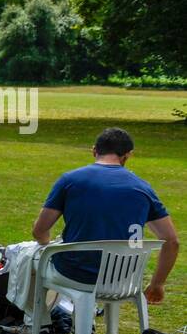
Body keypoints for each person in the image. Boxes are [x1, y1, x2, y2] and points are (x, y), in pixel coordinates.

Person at [32, 127, 178, 303]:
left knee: (31, 257)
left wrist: (46, 244)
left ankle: (37, 320)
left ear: (94, 150)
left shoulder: (69, 180)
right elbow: (172, 241)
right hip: (123, 277)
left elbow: (39, 231)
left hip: (74, 274)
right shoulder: (143, 188)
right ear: (128, 155)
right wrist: (157, 284)